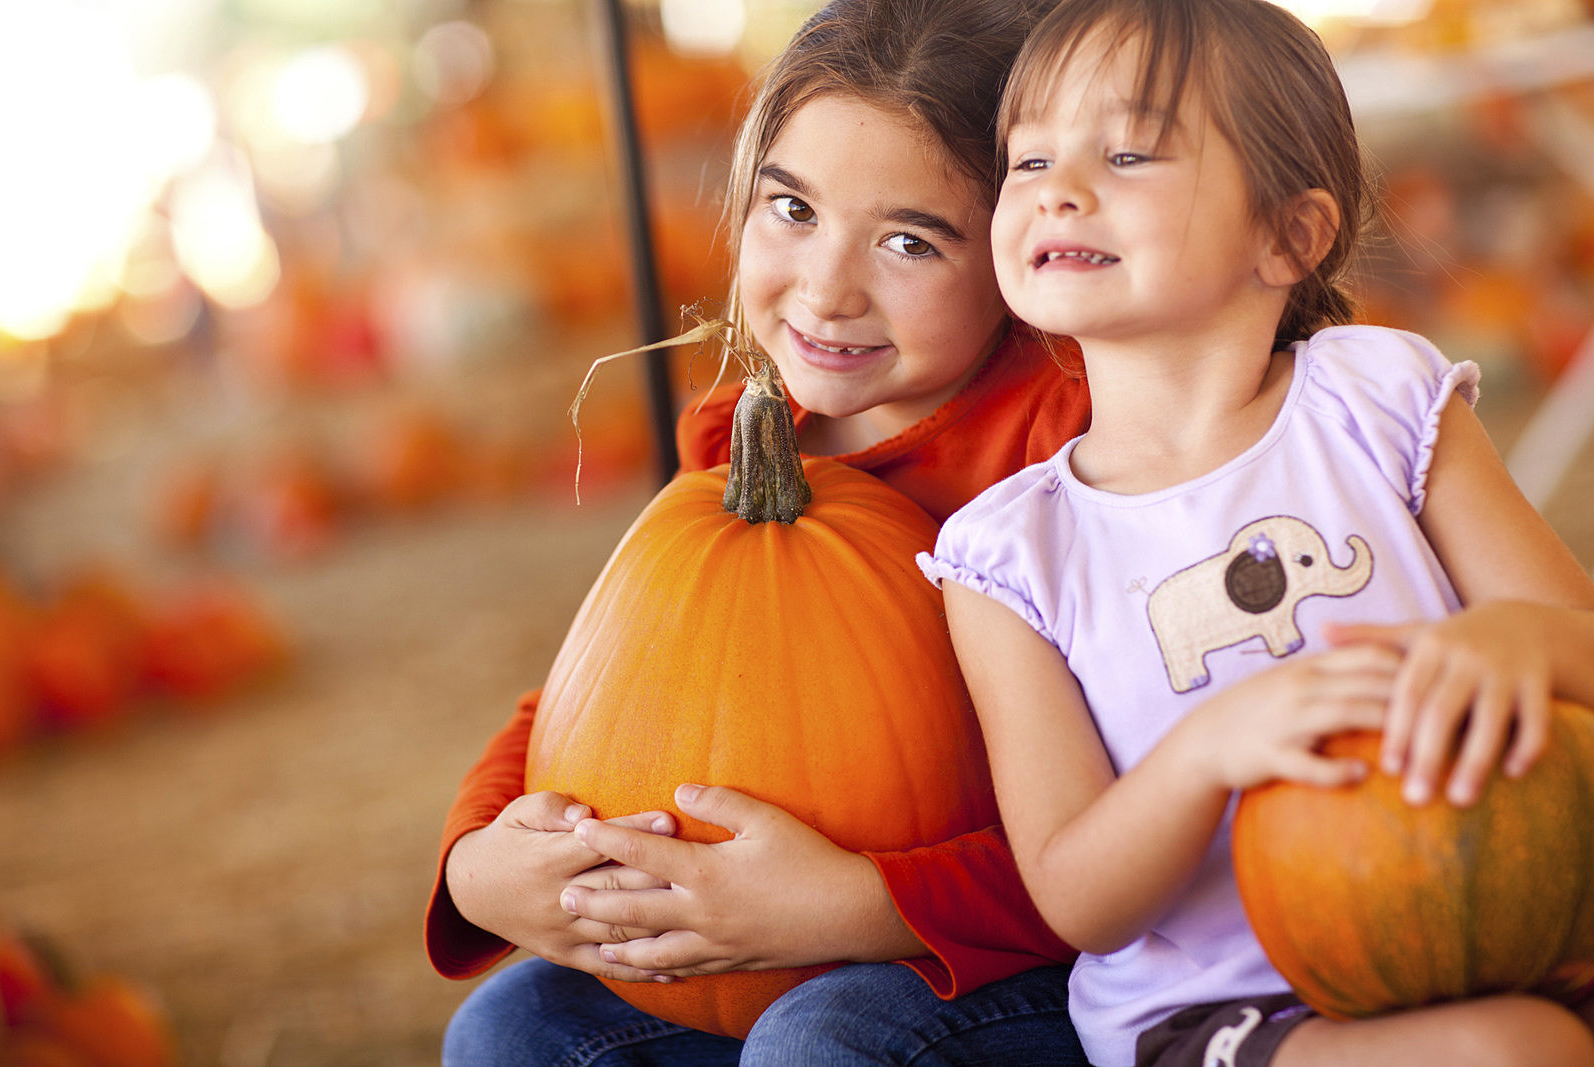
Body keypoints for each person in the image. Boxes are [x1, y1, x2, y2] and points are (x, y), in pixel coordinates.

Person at [918, 1, 1594, 1065]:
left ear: (1288, 235)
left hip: (1503, 917)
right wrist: (1206, 753)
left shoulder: (1374, 403)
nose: (1057, 185)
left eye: (1128, 150)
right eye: (1028, 156)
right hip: (1223, 1011)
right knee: (1510, 1052)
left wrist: (1513, 638)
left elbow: (1579, 644)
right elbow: (1075, 896)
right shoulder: (1009, 554)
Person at [430, 0, 1096, 1063]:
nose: (826, 289)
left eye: (908, 240)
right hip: (757, 952)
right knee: (517, 1028)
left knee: (815, 1038)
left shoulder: (1069, 450)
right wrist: (479, 859)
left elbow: (1138, 821)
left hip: (1031, 965)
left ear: (1020, 250)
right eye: (792, 210)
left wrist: (854, 904)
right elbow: (598, 685)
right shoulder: (744, 441)